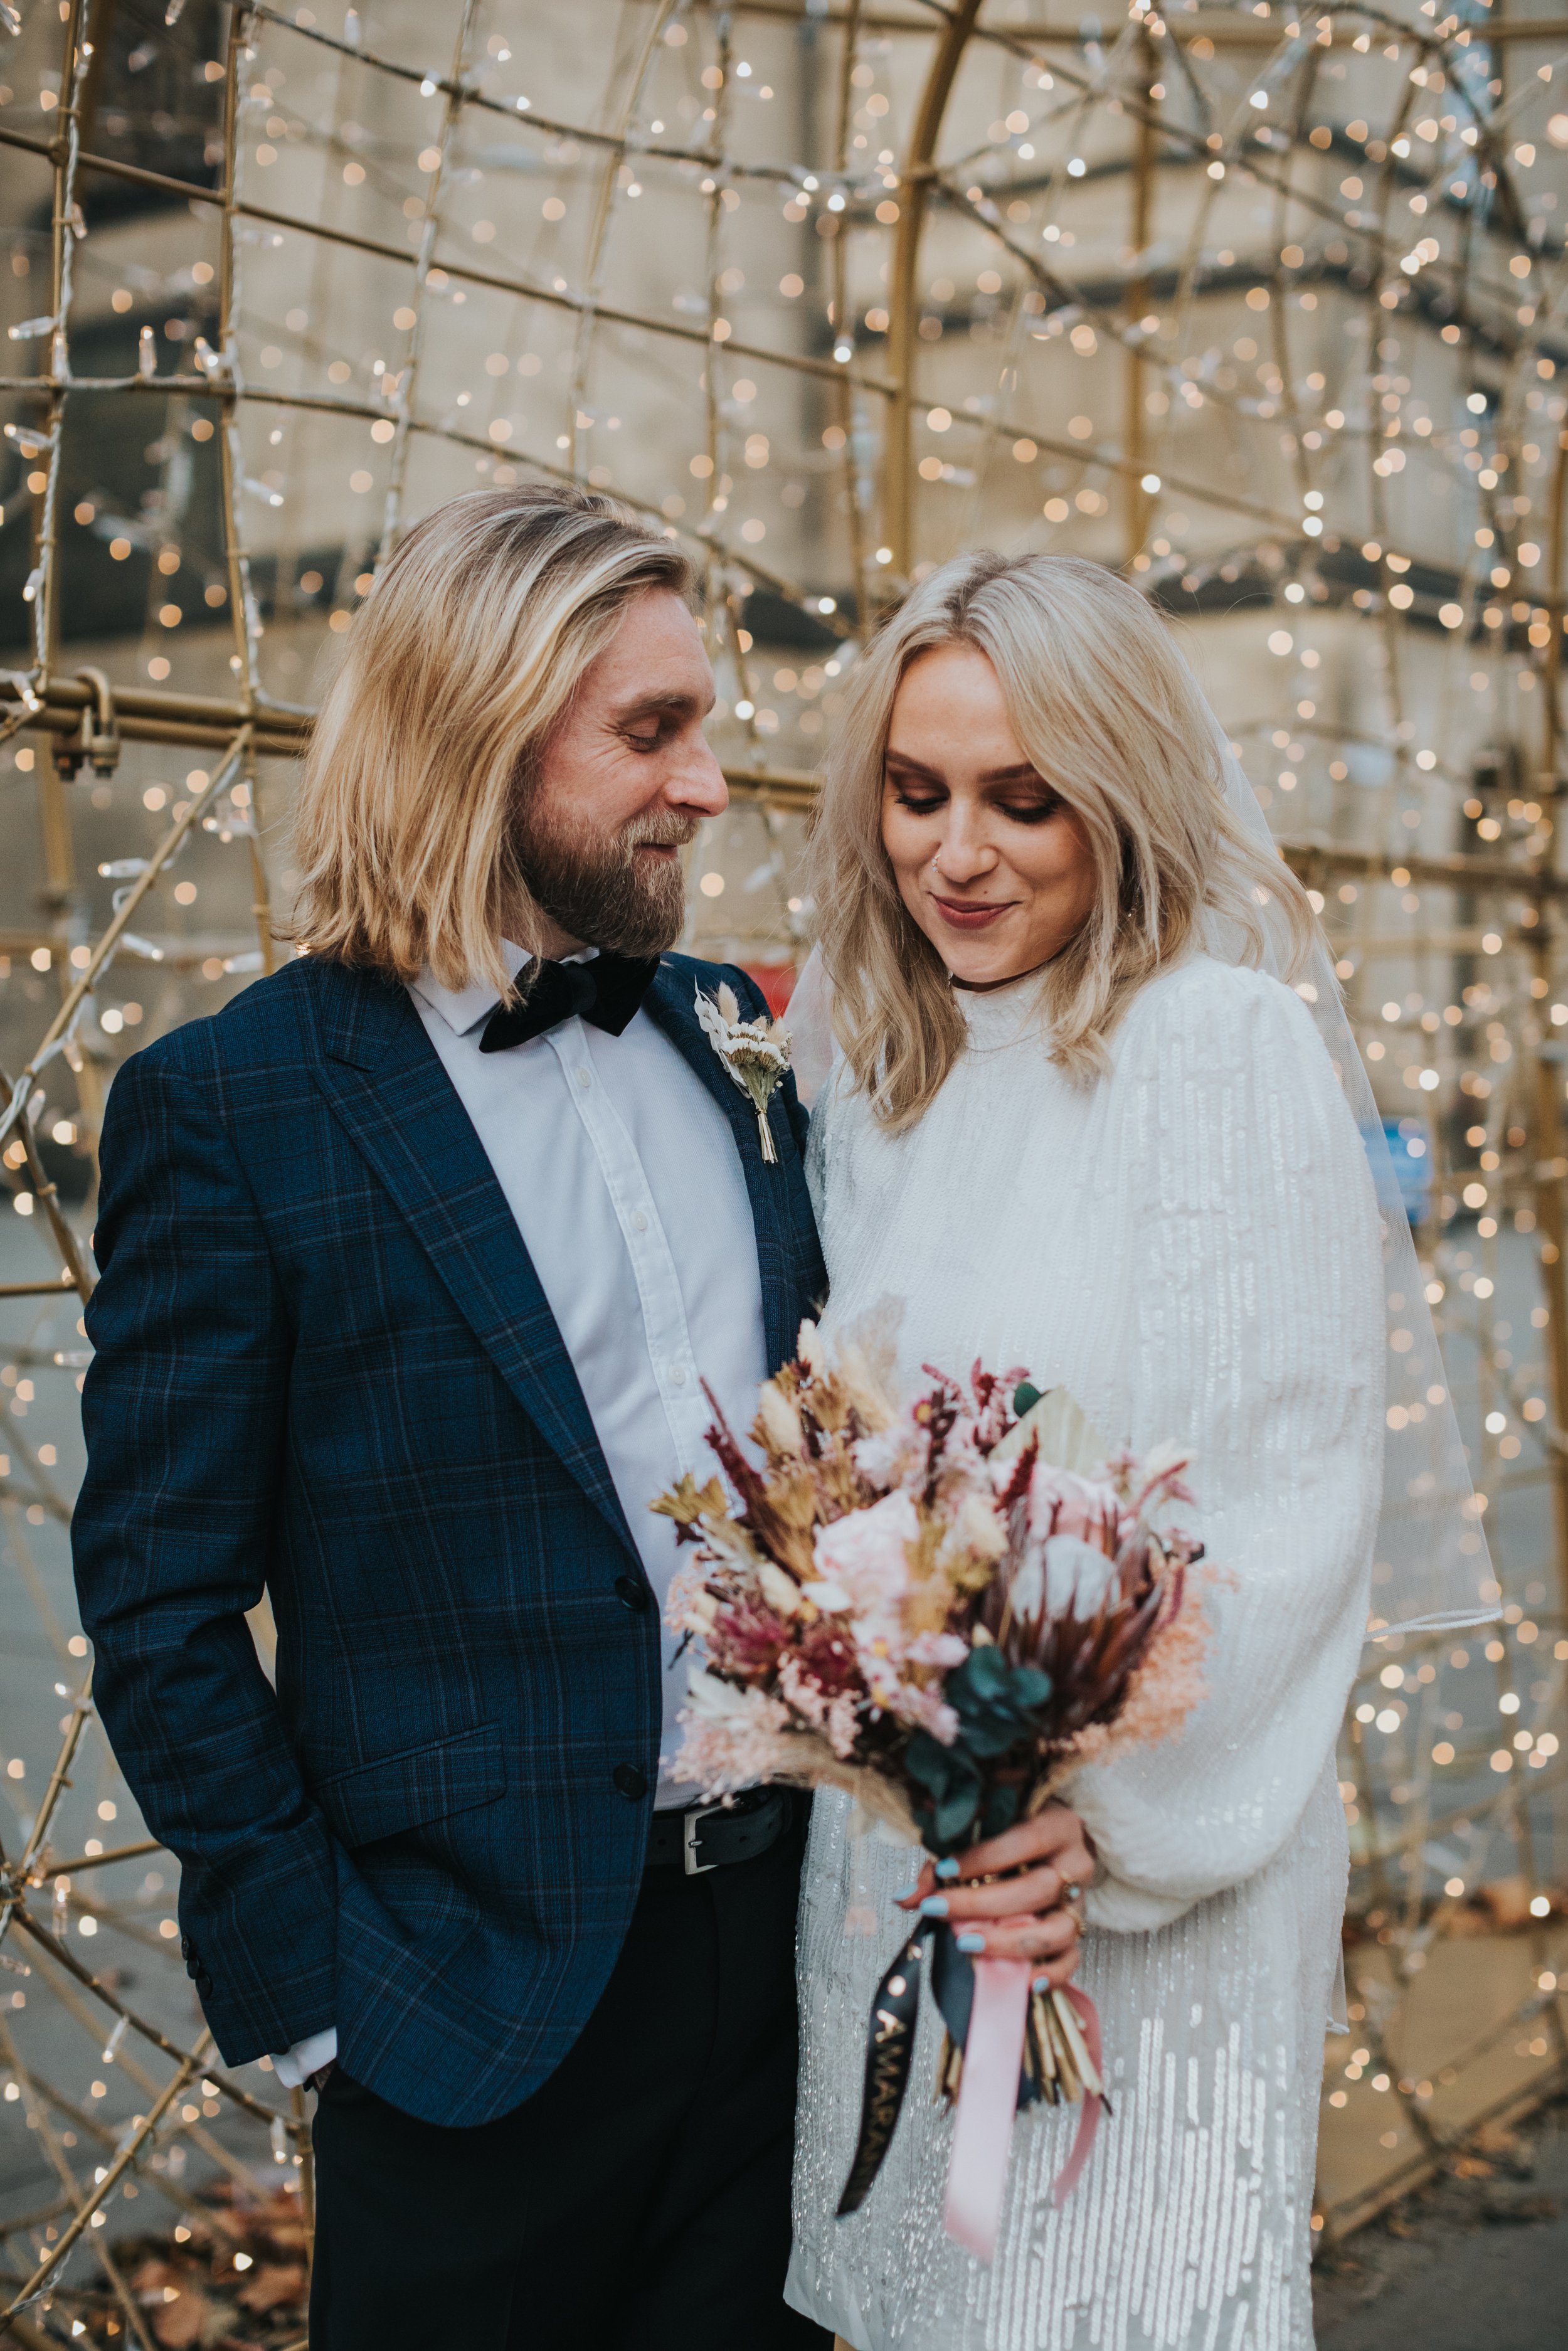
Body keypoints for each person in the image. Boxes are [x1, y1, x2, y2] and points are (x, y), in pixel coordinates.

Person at [71, 485, 833, 2350]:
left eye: (705, 723)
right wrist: (325, 1988)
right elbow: (159, 1602)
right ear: (482, 733)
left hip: (789, 1961)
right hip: (467, 2016)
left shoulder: (738, 1032)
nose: (711, 783)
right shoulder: (237, 1105)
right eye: (652, 732)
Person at [784, 551, 1386, 2350]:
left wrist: (1077, 1826)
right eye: (916, 793)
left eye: (1020, 798)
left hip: (1143, 1894)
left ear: (1115, 794)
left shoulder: (1214, 1050)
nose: (955, 851)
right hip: (903, 1875)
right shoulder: (877, 1062)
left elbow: (1282, 1514)